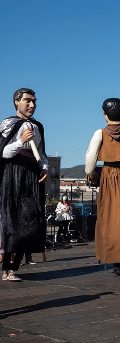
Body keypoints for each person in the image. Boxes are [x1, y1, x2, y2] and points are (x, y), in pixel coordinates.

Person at [85, 98, 120, 277]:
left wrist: (92, 174)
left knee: (109, 218)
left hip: (109, 176)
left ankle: (116, 262)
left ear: (104, 115)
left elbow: (89, 165)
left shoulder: (99, 133)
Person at [0, 88, 48, 281]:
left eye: (34, 101)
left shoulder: (38, 127)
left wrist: (44, 167)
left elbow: (42, 153)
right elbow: (3, 152)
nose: (32, 105)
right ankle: (8, 269)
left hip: (31, 174)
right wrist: (20, 141)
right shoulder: (7, 124)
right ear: (16, 102)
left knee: (31, 219)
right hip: (12, 174)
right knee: (12, 220)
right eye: (27, 101)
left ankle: (15, 265)